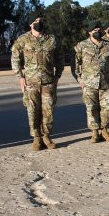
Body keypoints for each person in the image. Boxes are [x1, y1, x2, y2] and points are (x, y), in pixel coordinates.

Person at [11, 9, 64, 151]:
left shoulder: (52, 39)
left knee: (48, 111)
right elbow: (15, 59)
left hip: (48, 82)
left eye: (40, 21)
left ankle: (47, 137)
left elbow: (60, 59)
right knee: (33, 111)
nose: (39, 23)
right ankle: (36, 138)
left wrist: (58, 76)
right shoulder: (22, 40)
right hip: (31, 83)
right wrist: (20, 77)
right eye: (35, 22)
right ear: (30, 24)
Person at [74, 20, 109, 143]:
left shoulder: (108, 45)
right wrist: (79, 79)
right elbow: (75, 64)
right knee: (91, 108)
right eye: (95, 30)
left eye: (99, 30)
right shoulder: (81, 46)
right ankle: (94, 133)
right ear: (89, 32)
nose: (97, 32)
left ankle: (104, 130)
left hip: (106, 83)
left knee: (106, 108)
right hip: (89, 84)